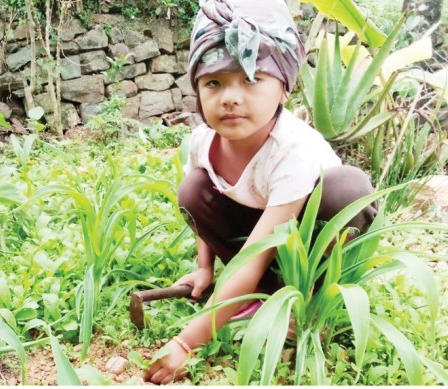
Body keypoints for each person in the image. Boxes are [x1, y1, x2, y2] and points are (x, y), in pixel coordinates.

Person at [143, 0, 376, 384]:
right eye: (213, 83)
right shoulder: (202, 142)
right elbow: (207, 216)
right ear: (197, 89)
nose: (230, 97)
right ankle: (255, 292)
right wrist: (204, 267)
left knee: (347, 190)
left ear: (284, 88)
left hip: (307, 239)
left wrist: (185, 343)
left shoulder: (292, 150)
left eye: (251, 79)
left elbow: (256, 254)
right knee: (193, 188)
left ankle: (303, 297)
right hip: (257, 230)